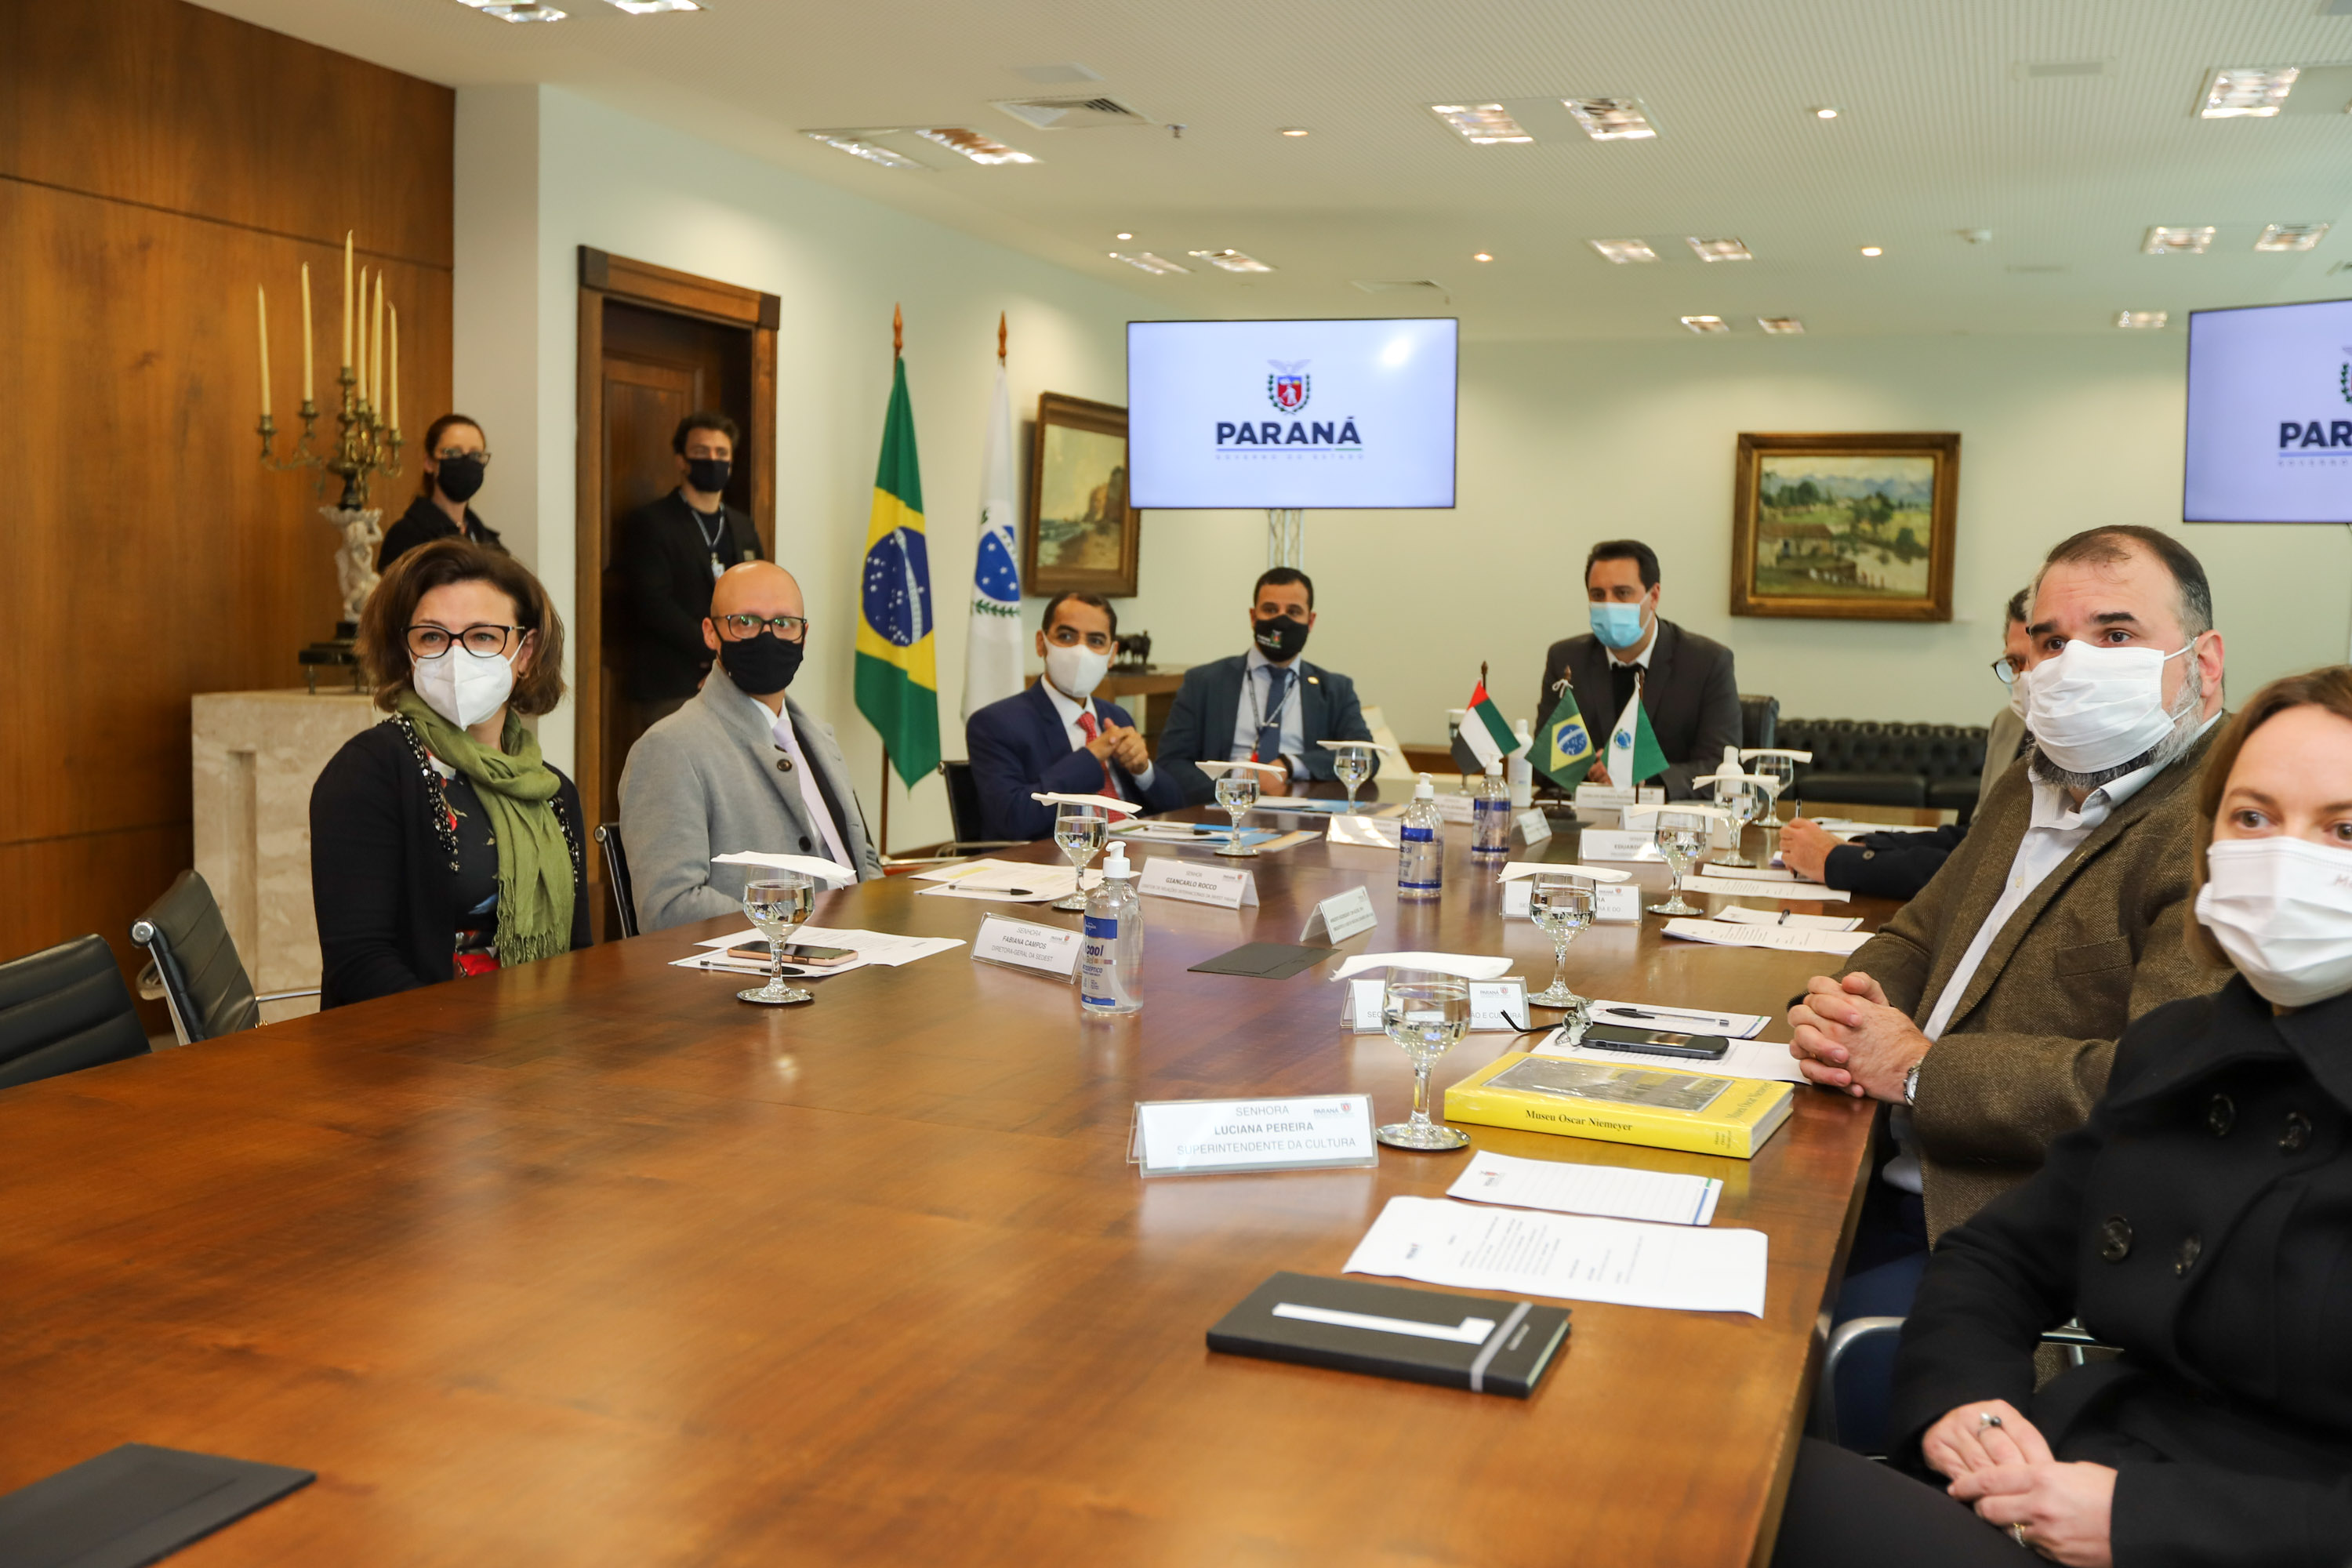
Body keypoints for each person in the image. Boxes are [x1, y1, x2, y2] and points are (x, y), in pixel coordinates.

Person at [1774, 666, 2352, 1566]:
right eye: (2253, 817)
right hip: (2052, 1478)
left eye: (2343, 827)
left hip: (2208, 1537)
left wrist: (2137, 1518)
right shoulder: (2181, 1047)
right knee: (1738, 1478)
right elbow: (1997, 1255)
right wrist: (1969, 1403)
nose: (2286, 856)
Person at [1792, 525, 2230, 1338]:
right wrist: (1846, 1008)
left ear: (2202, 665)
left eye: (2116, 633)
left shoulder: (2222, 826)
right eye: (2052, 642)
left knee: (1759, 1356)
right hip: (1873, 1166)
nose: (2074, 666)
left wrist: (1923, 1068)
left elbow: (2157, 1088)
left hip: (2003, 1234)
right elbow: (1920, 934)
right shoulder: (2034, 779)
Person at [310, 539, 587, 1007]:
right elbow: (360, 964)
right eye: (433, 637)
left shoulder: (550, 790)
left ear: (525, 651)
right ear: (408, 651)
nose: (455, 658)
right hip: (410, 1053)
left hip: (539, 1041)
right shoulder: (369, 772)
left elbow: (578, 956)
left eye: (482, 636)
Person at [619, 561, 881, 931]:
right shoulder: (670, 748)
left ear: (804, 635)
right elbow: (669, 907)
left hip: (864, 955)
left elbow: (863, 861)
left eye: (784, 624)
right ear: (711, 633)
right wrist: (793, 930)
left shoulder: (819, 738)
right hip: (764, 973)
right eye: (746, 622)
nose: (768, 636)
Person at [1780, 588, 2035, 898]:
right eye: (2015, 663)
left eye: (2035, 660)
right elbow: (1975, 841)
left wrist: (1838, 861)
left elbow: (1992, 870)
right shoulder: (2008, 724)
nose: (2025, 677)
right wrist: (1861, 846)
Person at [965, 591, 1187, 841]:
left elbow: (1175, 808)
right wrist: (1091, 757)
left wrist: (1142, 769)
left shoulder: (1116, 716)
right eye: (1066, 636)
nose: (1080, 651)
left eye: (1095, 641)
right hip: (1054, 863)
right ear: (1041, 643)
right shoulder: (997, 723)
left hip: (1129, 856)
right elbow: (1012, 818)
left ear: (1112, 654)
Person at [1532, 539, 1740, 800]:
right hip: (1587, 818)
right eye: (1598, 595)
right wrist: (1589, 768)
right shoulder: (1566, 659)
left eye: (1622, 593)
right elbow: (1543, 766)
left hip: (1669, 822)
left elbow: (1720, 770)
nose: (1608, 604)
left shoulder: (1707, 663)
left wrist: (1644, 775)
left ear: (1653, 596)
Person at [1152, 567, 1375, 804]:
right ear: (1253, 616)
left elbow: (1365, 756)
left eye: (1293, 611)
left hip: (1305, 815)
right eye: (1270, 610)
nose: (1281, 620)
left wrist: (1291, 765)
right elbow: (1170, 763)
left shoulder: (1335, 690)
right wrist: (1233, 788)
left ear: (1310, 621)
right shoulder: (1204, 682)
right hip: (1224, 812)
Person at [614, 412, 765, 724]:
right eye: (701, 452)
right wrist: (717, 652)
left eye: (721, 453)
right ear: (681, 461)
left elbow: (758, 597)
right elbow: (653, 604)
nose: (712, 459)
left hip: (737, 684)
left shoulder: (742, 525)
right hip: (673, 685)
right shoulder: (652, 523)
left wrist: (733, 661)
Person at [376, 413, 503, 571]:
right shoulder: (407, 536)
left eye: (476, 454)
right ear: (429, 463)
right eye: (453, 453)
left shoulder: (488, 541)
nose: (466, 462)